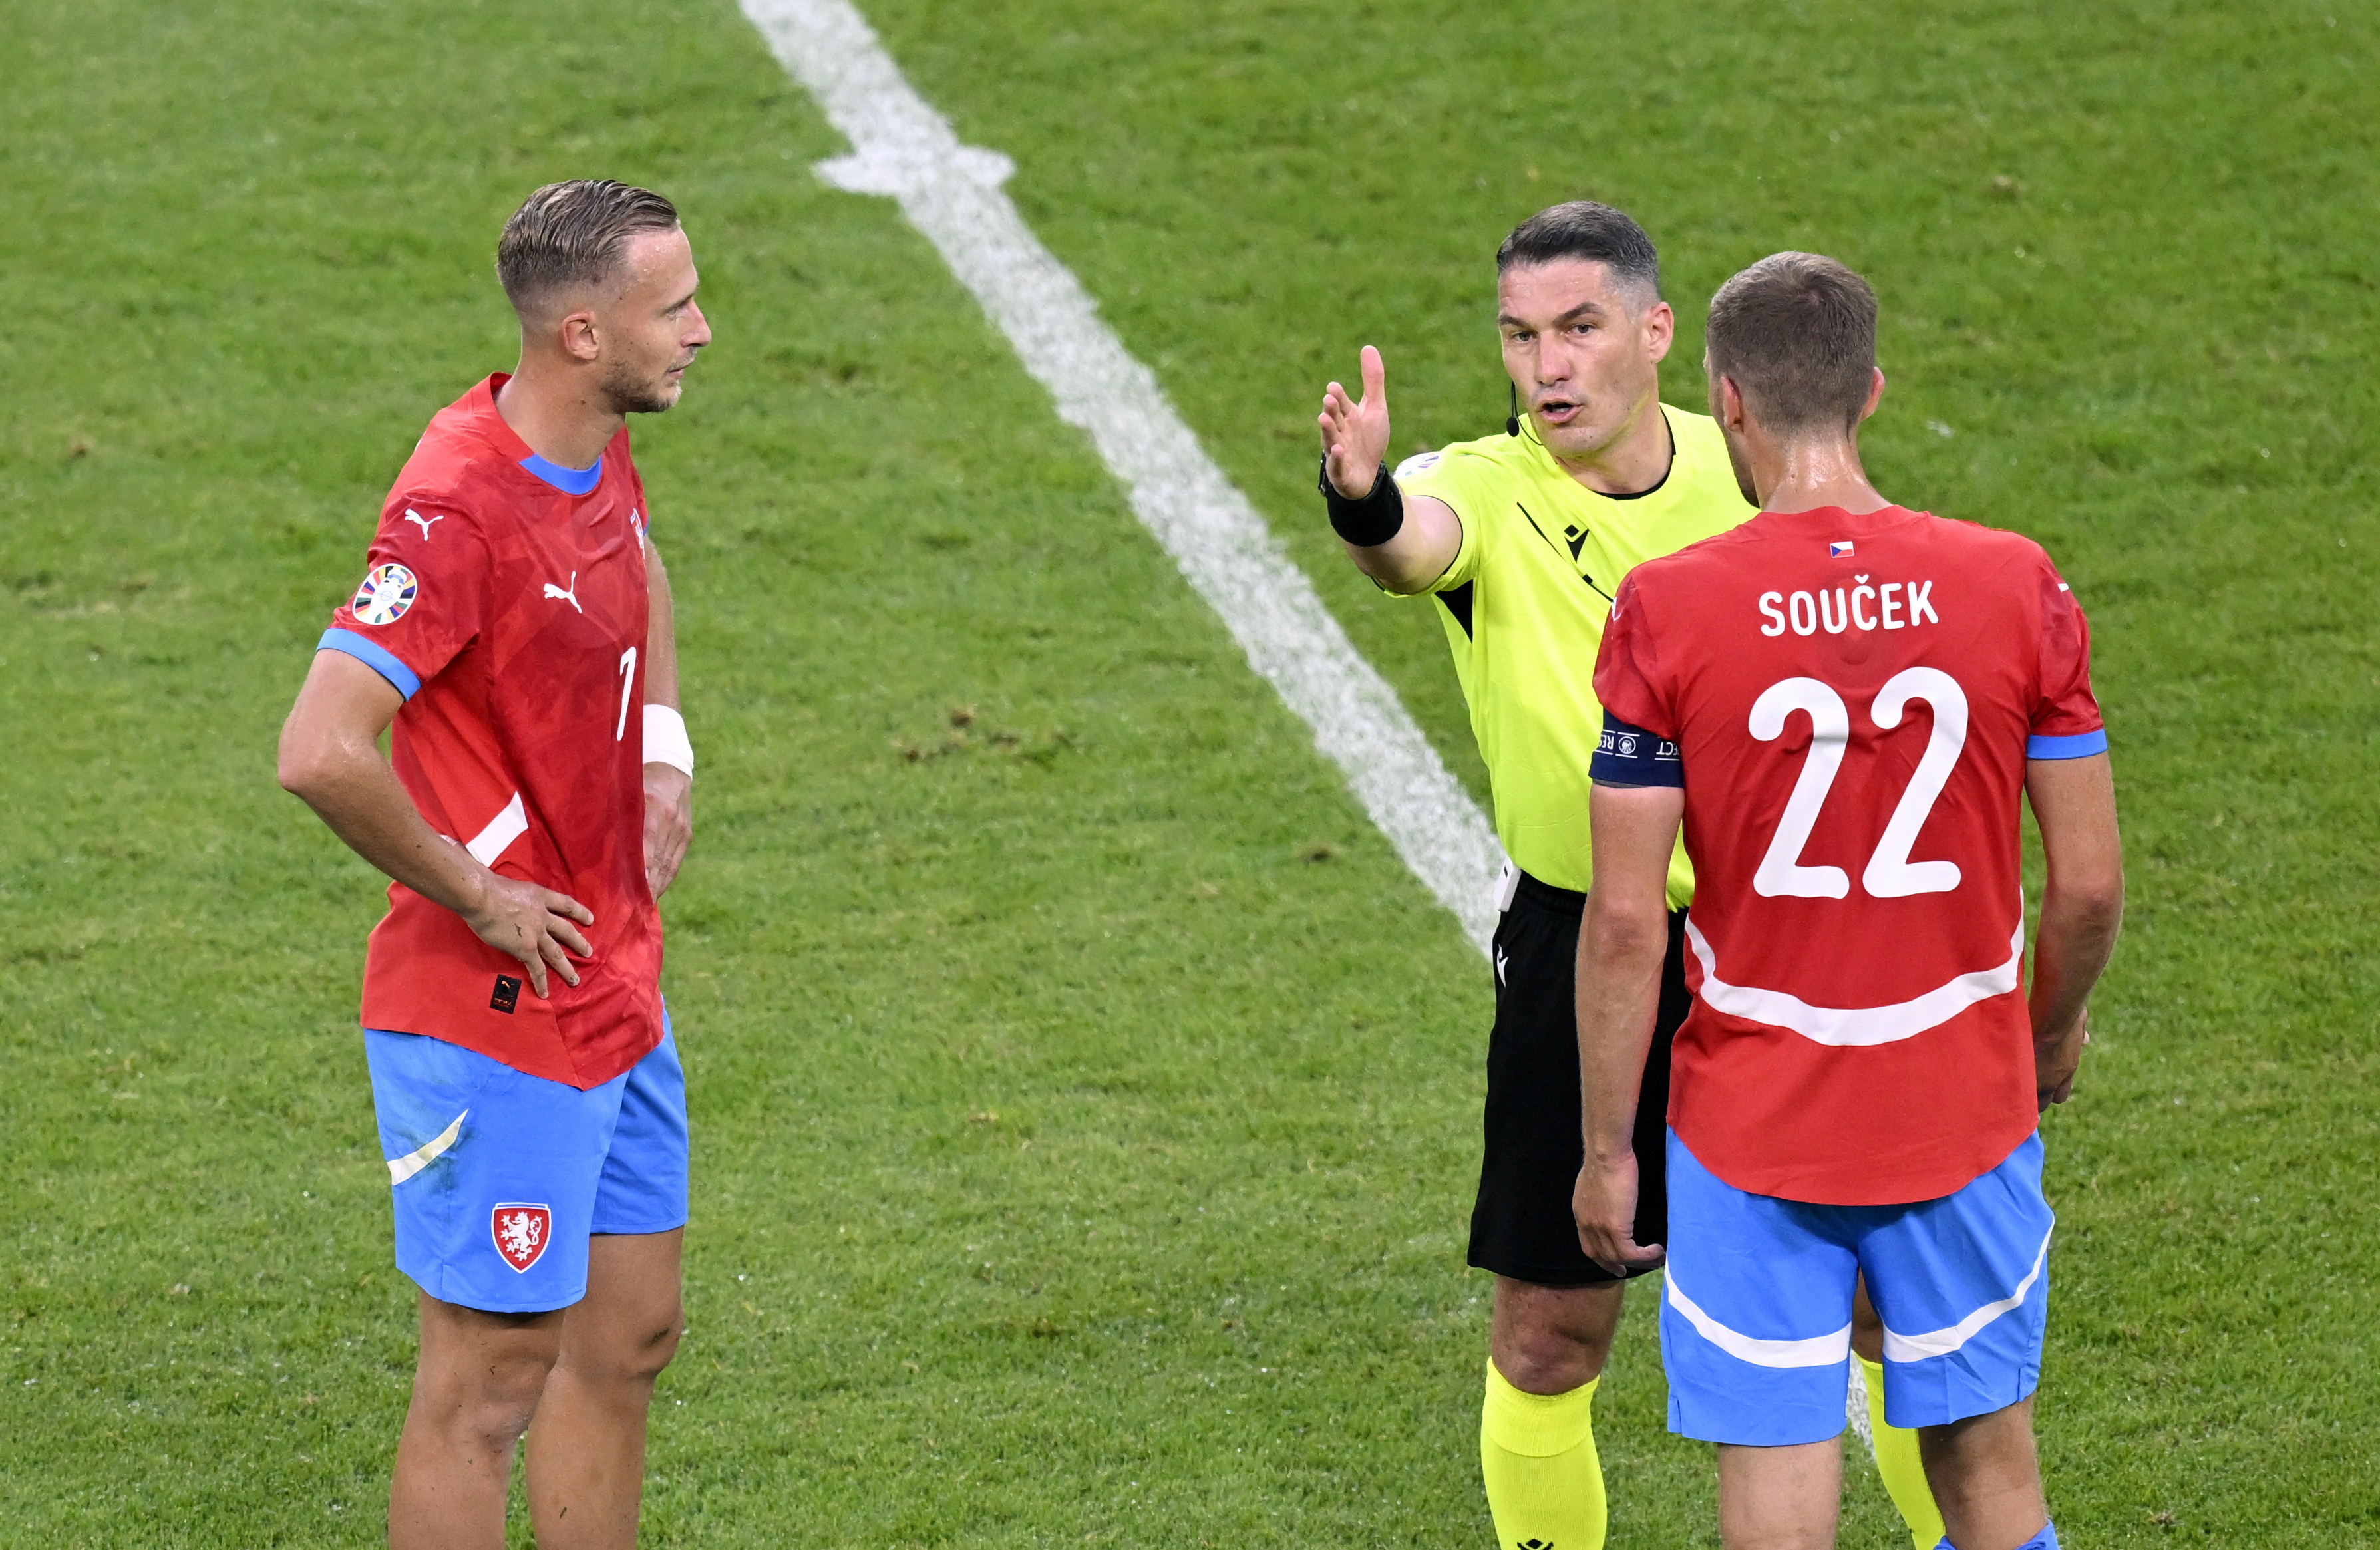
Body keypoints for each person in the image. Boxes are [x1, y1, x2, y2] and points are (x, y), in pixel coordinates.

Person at [1314, 202, 1942, 1550]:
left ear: (1656, 335)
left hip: (1778, 937)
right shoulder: (1486, 485)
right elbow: (1403, 545)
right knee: (1550, 1332)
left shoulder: (1759, 469)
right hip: (1582, 952)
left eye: (1578, 329)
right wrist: (1358, 491)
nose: (1547, 367)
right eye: (1520, 336)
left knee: (1886, 1317)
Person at [1573, 251, 2125, 1550]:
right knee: (1989, 1472)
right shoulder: (2011, 580)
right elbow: (2089, 887)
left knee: (1778, 1473)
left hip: (1753, 1121)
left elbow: (1622, 922)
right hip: (1962, 1106)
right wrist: (2041, 1041)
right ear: (1871, 391)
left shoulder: (1667, 607)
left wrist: (1608, 1149)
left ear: (1730, 403)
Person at [277, 179, 711, 1550]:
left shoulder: (590, 441)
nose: (702, 330)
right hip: (492, 1013)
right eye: (676, 308)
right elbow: (322, 749)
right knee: (489, 1382)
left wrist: (664, 751)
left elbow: (634, 561)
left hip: (613, 984)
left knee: (630, 1337)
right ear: (582, 333)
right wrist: (476, 891)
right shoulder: (459, 506)